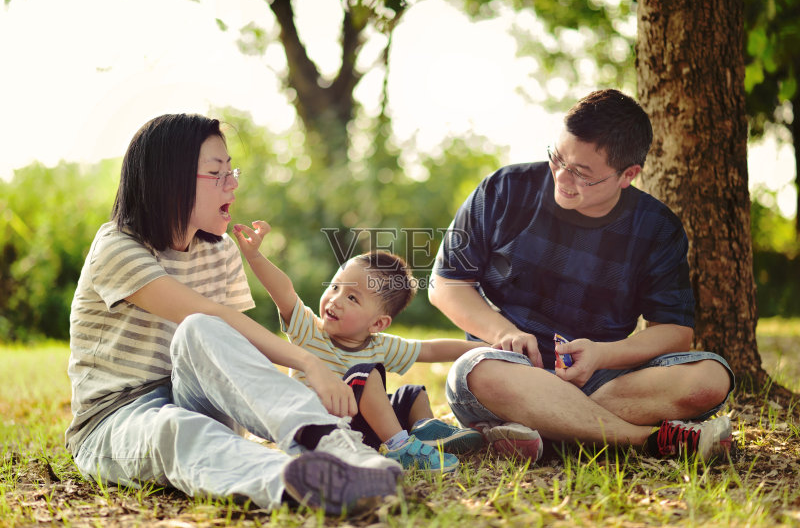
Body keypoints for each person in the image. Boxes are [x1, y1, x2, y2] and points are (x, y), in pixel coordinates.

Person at [66, 113, 404, 517]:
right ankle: (301, 480)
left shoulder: (221, 251)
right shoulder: (117, 248)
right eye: (216, 172)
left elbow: (229, 347)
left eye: (232, 170)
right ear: (169, 180)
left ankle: (337, 448)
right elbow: (211, 310)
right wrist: (308, 361)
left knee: (201, 329)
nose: (233, 184)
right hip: (114, 423)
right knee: (178, 424)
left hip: (194, 391)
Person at [428, 89, 735, 463]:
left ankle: (544, 427)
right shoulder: (504, 189)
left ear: (628, 175)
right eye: (558, 158)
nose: (562, 176)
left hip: (604, 377)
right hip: (508, 371)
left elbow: (675, 332)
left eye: (582, 174)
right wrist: (503, 333)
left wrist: (603, 355)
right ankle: (648, 440)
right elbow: (445, 284)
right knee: (474, 372)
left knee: (710, 377)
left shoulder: (657, 227)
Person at [233, 220, 486, 472]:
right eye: (335, 287)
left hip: (364, 429)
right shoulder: (309, 330)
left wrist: (483, 347)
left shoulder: (380, 344)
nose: (336, 300)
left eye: (352, 297)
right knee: (365, 375)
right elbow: (284, 292)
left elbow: (429, 349)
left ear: (377, 323)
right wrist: (255, 256)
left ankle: (425, 434)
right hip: (322, 428)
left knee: (411, 394)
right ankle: (400, 448)